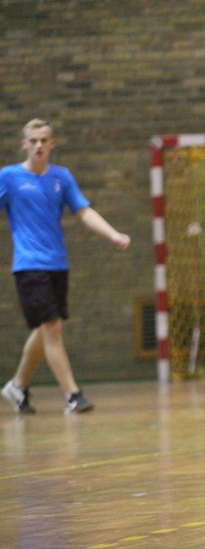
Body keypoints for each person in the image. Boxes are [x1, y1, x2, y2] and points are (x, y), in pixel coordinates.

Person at [1, 118, 132, 415]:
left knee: (46, 329)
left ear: (52, 144)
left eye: (43, 140)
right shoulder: (8, 177)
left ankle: (17, 386)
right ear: (24, 144)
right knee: (52, 327)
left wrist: (113, 234)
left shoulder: (62, 177)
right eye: (32, 141)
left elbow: (84, 212)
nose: (38, 146)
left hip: (57, 264)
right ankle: (73, 395)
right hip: (29, 266)